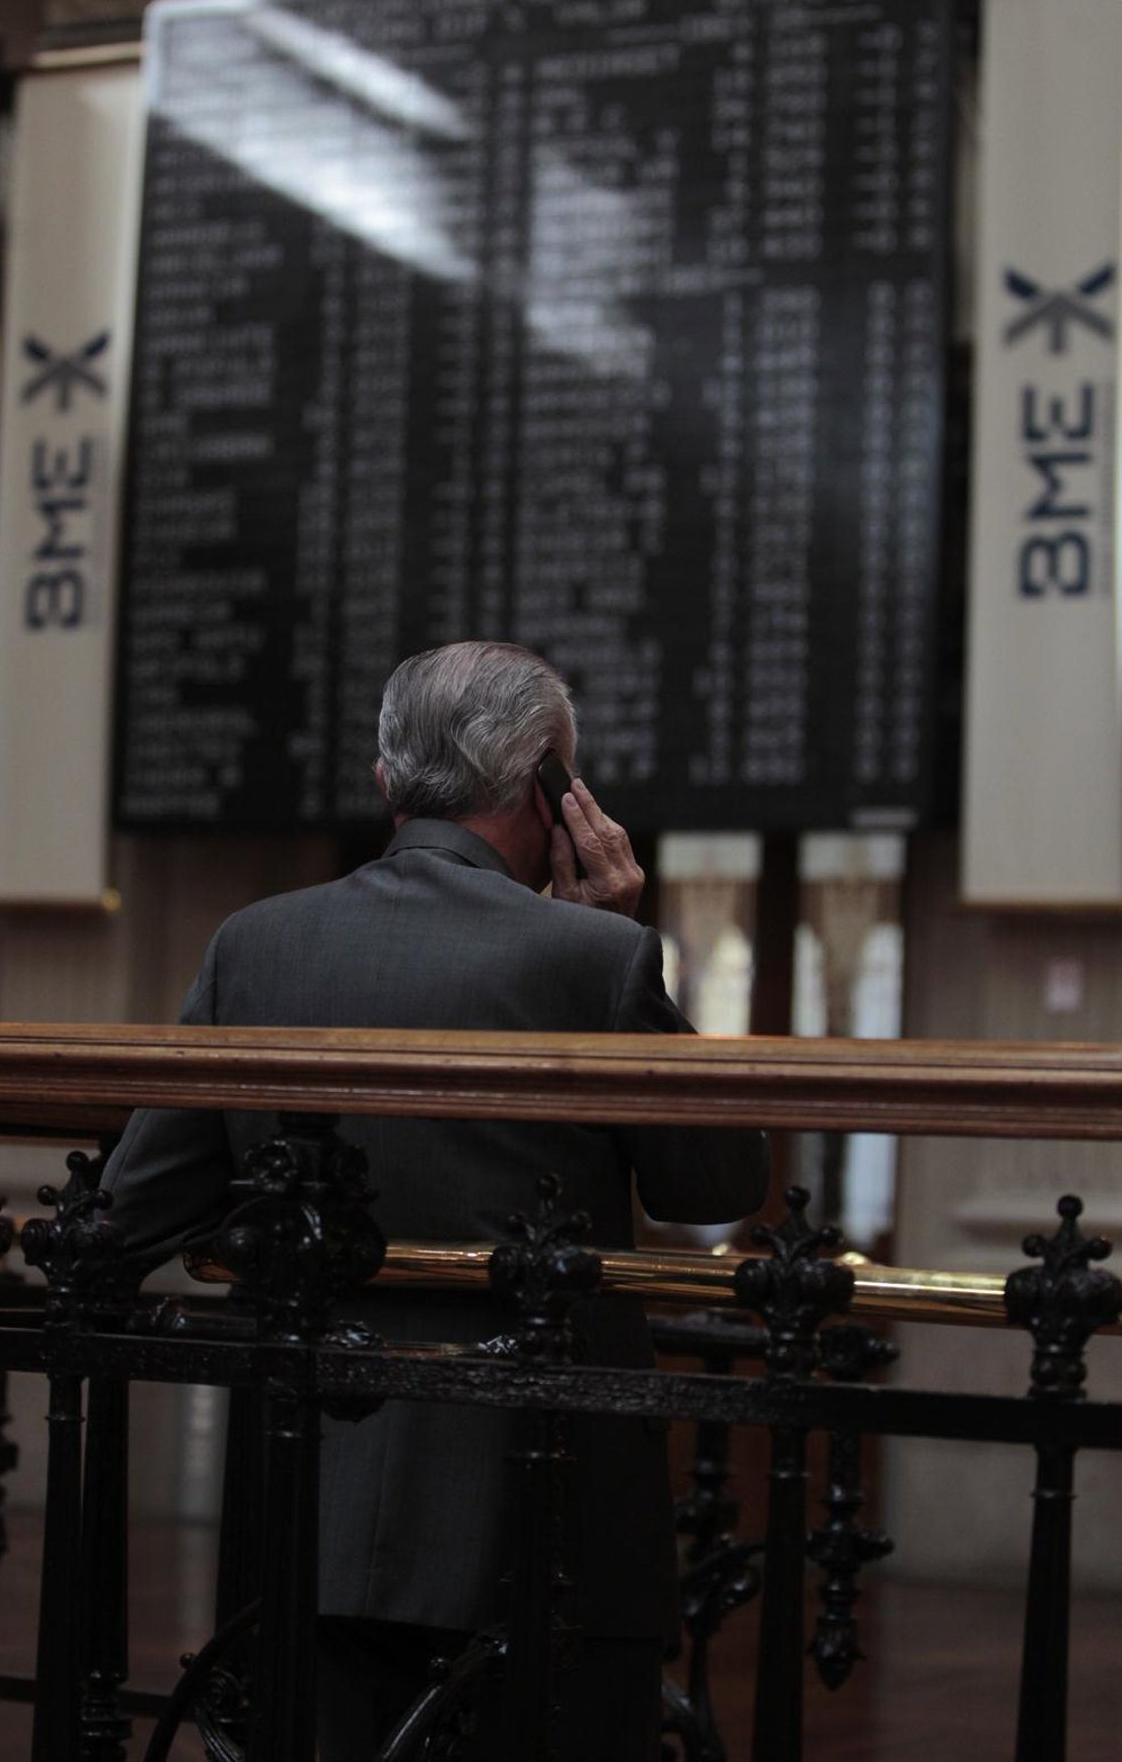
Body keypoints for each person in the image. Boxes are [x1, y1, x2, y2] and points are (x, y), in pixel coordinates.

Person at [101, 640, 769, 1760]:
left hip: (306, 1497)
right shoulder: (592, 957)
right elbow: (719, 1182)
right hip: (541, 1513)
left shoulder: (254, 944)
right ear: (551, 784)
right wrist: (623, 937)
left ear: (385, 780)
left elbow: (131, 1208)